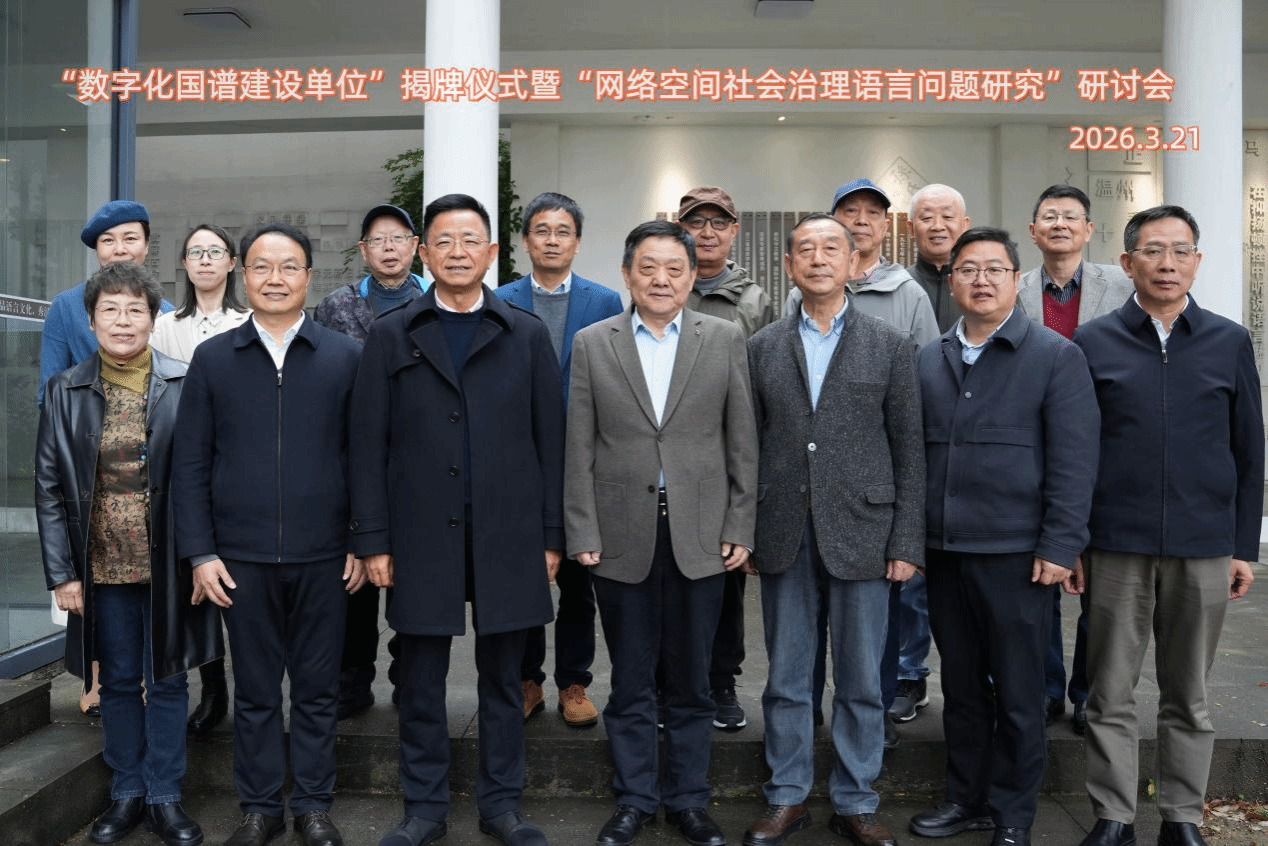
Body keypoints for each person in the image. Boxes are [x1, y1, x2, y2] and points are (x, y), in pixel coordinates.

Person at [350, 193, 564, 846]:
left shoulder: (525, 333)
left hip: (509, 532)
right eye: (443, 241)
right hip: (418, 534)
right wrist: (373, 539)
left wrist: (552, 536)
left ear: (492, 252)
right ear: (425, 253)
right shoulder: (391, 333)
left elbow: (551, 444)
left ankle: (502, 807)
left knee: (505, 680)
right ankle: (424, 809)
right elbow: (367, 444)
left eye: (471, 240)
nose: (457, 252)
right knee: (419, 681)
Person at [1072, 206, 1263, 846]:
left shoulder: (1228, 341)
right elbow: (1075, 449)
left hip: (1203, 546)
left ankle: (1181, 817)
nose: (1168, 263)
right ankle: (1113, 816)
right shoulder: (1093, 342)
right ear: (1127, 263)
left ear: (1197, 262)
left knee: (1190, 694)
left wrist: (1242, 546)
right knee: (1109, 691)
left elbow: (1249, 451)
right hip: (1114, 545)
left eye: (1181, 251)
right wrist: (1074, 541)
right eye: (1153, 251)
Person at [565, 220, 757, 846]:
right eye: (648, 267)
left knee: (693, 678)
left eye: (675, 268)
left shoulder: (723, 338)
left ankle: (689, 801)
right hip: (620, 534)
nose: (661, 279)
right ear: (627, 274)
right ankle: (634, 799)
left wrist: (741, 522)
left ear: (692, 275)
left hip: (702, 533)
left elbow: (742, 439)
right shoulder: (594, 342)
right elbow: (579, 444)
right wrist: (581, 527)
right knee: (630, 678)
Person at [173, 223, 364, 846]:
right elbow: (191, 462)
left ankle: (312, 806)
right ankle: (259, 809)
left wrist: (363, 540)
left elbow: (365, 457)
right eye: (262, 267)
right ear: (243, 274)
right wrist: (200, 552)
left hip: (326, 556)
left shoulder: (343, 356)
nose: (275, 279)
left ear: (309, 276)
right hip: (239, 559)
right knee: (254, 692)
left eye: (288, 267)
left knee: (317, 690)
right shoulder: (214, 359)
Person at [910, 227, 1099, 846]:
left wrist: (1061, 544)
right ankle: (964, 797)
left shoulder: (1054, 356)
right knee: (961, 687)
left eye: (995, 269)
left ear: (1018, 280)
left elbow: (1075, 461)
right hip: (944, 552)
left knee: (1020, 691)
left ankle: (1014, 814)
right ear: (952, 281)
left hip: (1018, 555)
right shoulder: (930, 358)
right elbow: (912, 457)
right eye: (968, 269)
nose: (981, 280)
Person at [744, 213, 923, 846]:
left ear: (853, 263)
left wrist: (907, 542)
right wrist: (746, 528)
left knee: (861, 679)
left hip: (866, 533)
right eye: (805, 250)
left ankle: (856, 800)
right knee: (787, 679)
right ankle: (786, 795)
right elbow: (748, 444)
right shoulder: (763, 346)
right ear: (789, 265)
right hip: (783, 531)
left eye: (830, 249)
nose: (818, 259)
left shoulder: (890, 344)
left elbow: (910, 450)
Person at [36, 261, 219, 846]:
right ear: (91, 322)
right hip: (101, 564)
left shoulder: (186, 381)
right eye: (109, 310)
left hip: (169, 562)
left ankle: (165, 796)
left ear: (153, 318)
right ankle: (127, 792)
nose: (122, 320)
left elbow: (206, 476)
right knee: (115, 681)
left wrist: (202, 557)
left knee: (167, 678)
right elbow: (48, 486)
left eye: (134, 309)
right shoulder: (64, 389)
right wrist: (62, 573)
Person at [38, 199, 172, 720]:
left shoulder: (158, 305)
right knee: (95, 590)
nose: (120, 248)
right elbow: (50, 384)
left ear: (146, 245)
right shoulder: (67, 304)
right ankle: (100, 679)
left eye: (130, 238)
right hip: (83, 451)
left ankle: (145, 680)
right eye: (108, 240)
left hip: (143, 461)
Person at [494, 191, 623, 728]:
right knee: (523, 577)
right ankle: (528, 680)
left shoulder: (606, 301)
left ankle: (574, 681)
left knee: (578, 578)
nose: (552, 240)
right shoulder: (498, 299)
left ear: (577, 241)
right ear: (526, 240)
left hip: (583, 460)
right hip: (518, 459)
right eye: (542, 231)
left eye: (562, 231)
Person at [1016, 184, 1133, 735]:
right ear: (1033, 231)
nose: (1059, 224)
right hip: (1032, 449)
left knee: (1100, 581)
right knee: (1039, 575)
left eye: (1071, 217)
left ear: (1088, 230)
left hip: (1105, 447)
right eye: (1049, 216)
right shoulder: (1014, 287)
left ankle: (1088, 690)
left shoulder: (1121, 287)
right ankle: (1044, 689)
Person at [314, 203, 429, 720]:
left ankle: (410, 678)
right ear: (363, 250)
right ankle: (351, 681)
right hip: (353, 455)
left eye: (398, 238)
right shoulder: (336, 305)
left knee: (413, 578)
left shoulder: (434, 300)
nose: (388, 248)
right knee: (355, 573)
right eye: (378, 240)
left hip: (418, 459)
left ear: (415, 247)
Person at [670, 185, 773, 733]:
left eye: (718, 223)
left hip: (724, 460)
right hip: (664, 460)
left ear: (734, 231)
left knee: (724, 579)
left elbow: (763, 389)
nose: (706, 232)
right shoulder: (663, 285)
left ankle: (722, 681)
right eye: (696, 222)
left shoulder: (753, 301)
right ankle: (670, 682)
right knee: (666, 578)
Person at [150, 222, 251, 737]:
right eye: (196, 252)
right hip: (178, 466)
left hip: (235, 465)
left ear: (232, 262)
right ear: (185, 264)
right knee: (195, 579)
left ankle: (252, 688)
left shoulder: (249, 321)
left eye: (215, 251)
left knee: (239, 582)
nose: (206, 259)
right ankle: (213, 688)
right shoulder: (163, 326)